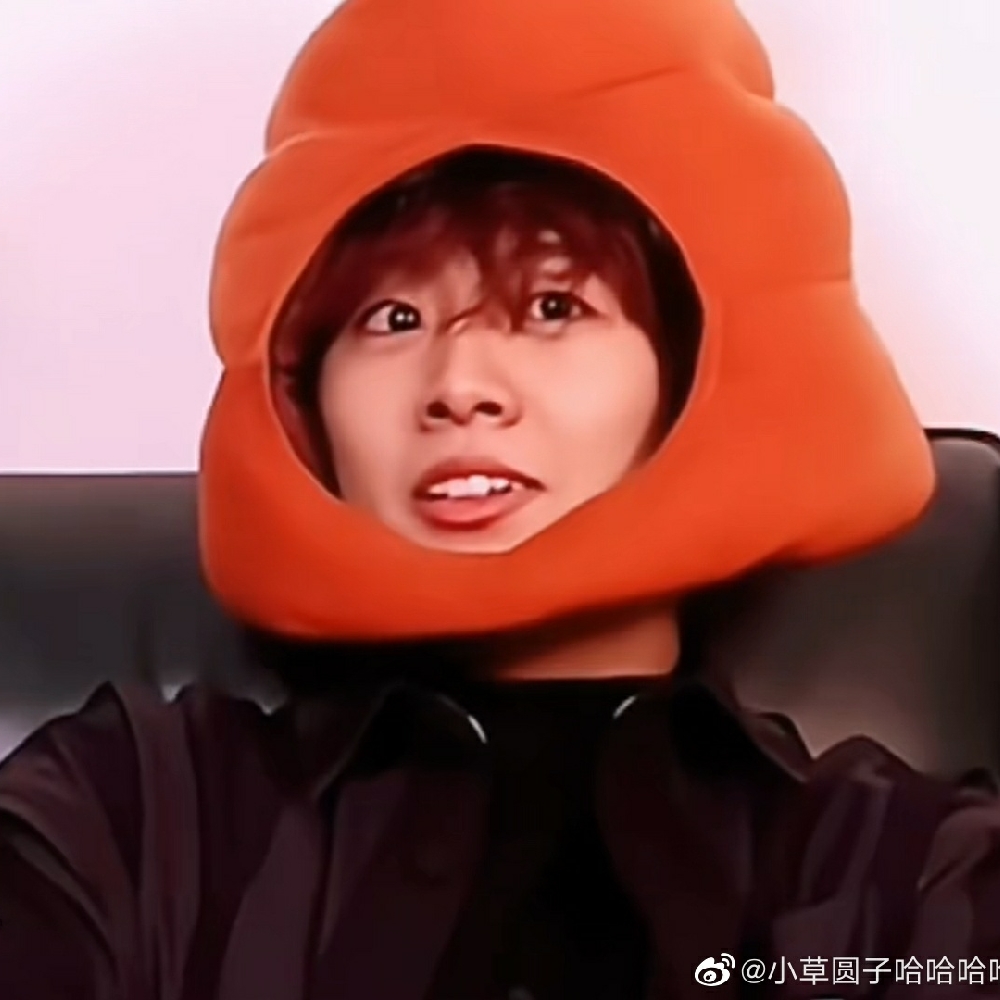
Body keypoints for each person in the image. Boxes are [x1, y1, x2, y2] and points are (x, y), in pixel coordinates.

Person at [2, 0, 1000, 998]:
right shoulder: (133, 817)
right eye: (392, 318)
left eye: (553, 307)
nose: (458, 385)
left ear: (686, 373)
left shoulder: (900, 873)